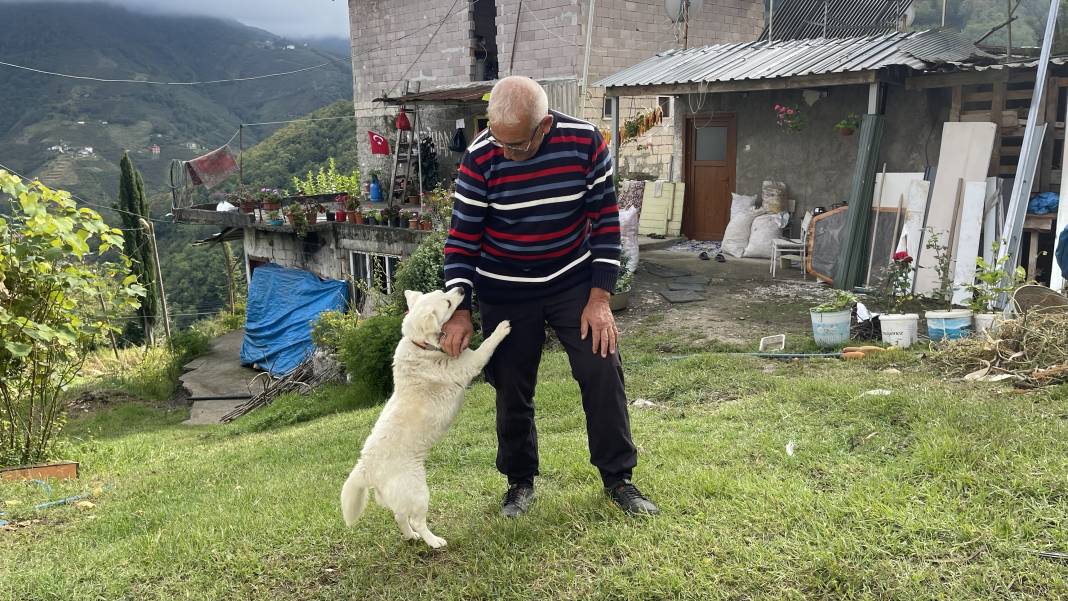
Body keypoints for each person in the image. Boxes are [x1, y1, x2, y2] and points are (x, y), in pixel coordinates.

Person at [440, 76, 658, 517]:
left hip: (570, 281)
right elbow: (462, 241)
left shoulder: (585, 143)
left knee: (602, 366)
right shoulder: (481, 156)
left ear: (544, 126)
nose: (506, 152)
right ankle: (519, 483)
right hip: (503, 286)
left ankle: (619, 480)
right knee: (511, 387)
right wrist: (459, 309)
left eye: (517, 145)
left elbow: (605, 223)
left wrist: (599, 299)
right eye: (499, 141)